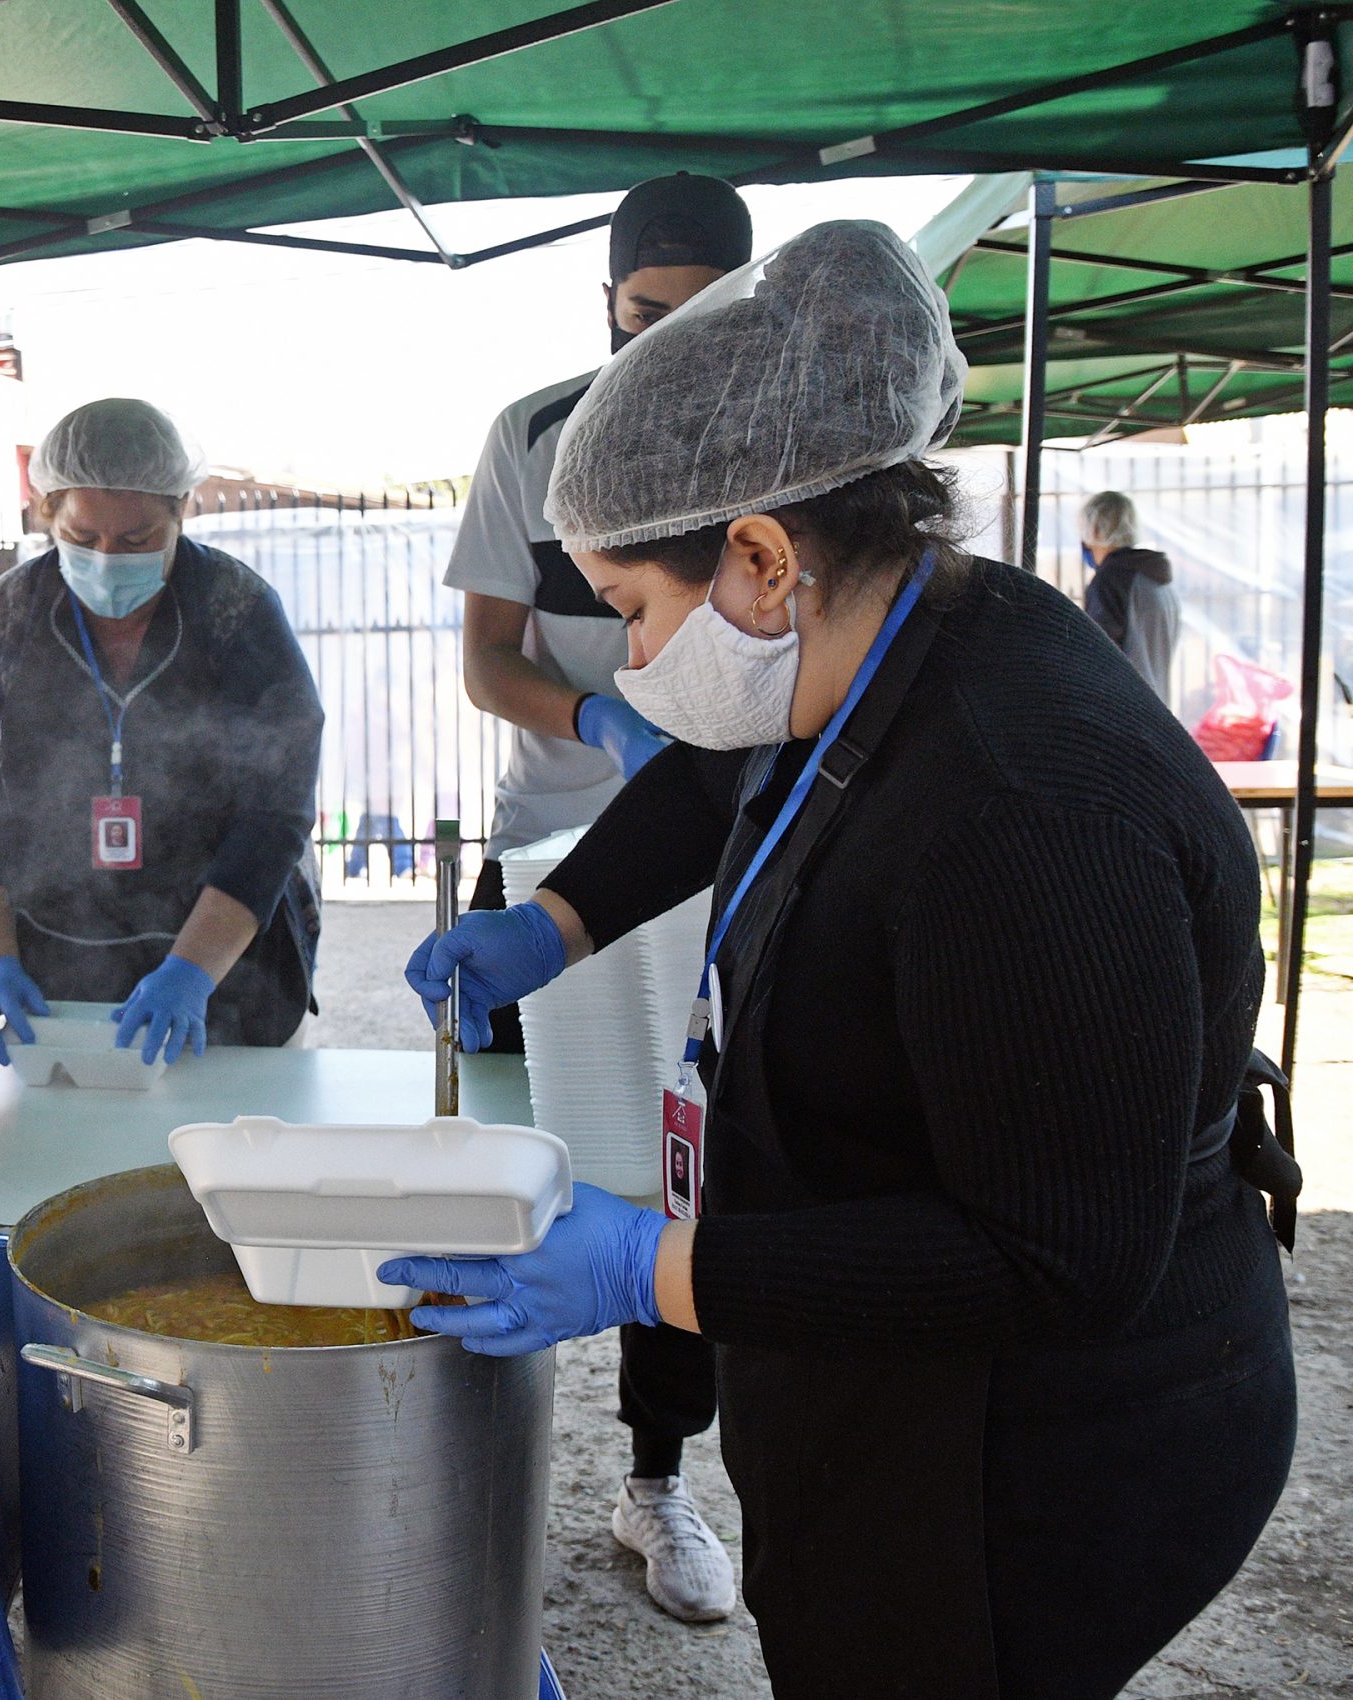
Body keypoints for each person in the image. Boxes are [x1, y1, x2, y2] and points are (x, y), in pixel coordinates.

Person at [397, 222, 1297, 1699]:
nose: (627, 669)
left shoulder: (1022, 809)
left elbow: (1051, 1259)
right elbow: (711, 770)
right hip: (878, 1363)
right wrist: (554, 922)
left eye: (631, 613)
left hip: (1030, 1451)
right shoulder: (895, 625)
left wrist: (648, 1264)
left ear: (759, 555)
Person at [443, 168, 753, 1622]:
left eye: (702, 320)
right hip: (573, 838)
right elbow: (489, 655)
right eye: (644, 316)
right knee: (558, 1159)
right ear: (605, 303)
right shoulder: (533, 437)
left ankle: (658, 1481)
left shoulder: (776, 437)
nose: (668, 346)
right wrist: (596, 723)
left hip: (730, 838)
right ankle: (469, 1458)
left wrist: (688, 761)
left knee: (682, 1165)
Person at [0, 398, 323, 1067]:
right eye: (83, 539)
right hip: (58, 964)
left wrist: (191, 973)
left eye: (138, 540)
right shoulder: (6, 620)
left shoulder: (237, 612)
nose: (108, 558)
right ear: (48, 515)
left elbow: (274, 814)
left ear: (180, 513)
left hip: (230, 970)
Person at [1081, 490, 1180, 704]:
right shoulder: (1159, 577)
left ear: (1095, 529)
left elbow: (1098, 653)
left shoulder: (1112, 579)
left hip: (1124, 712)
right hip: (1157, 709)